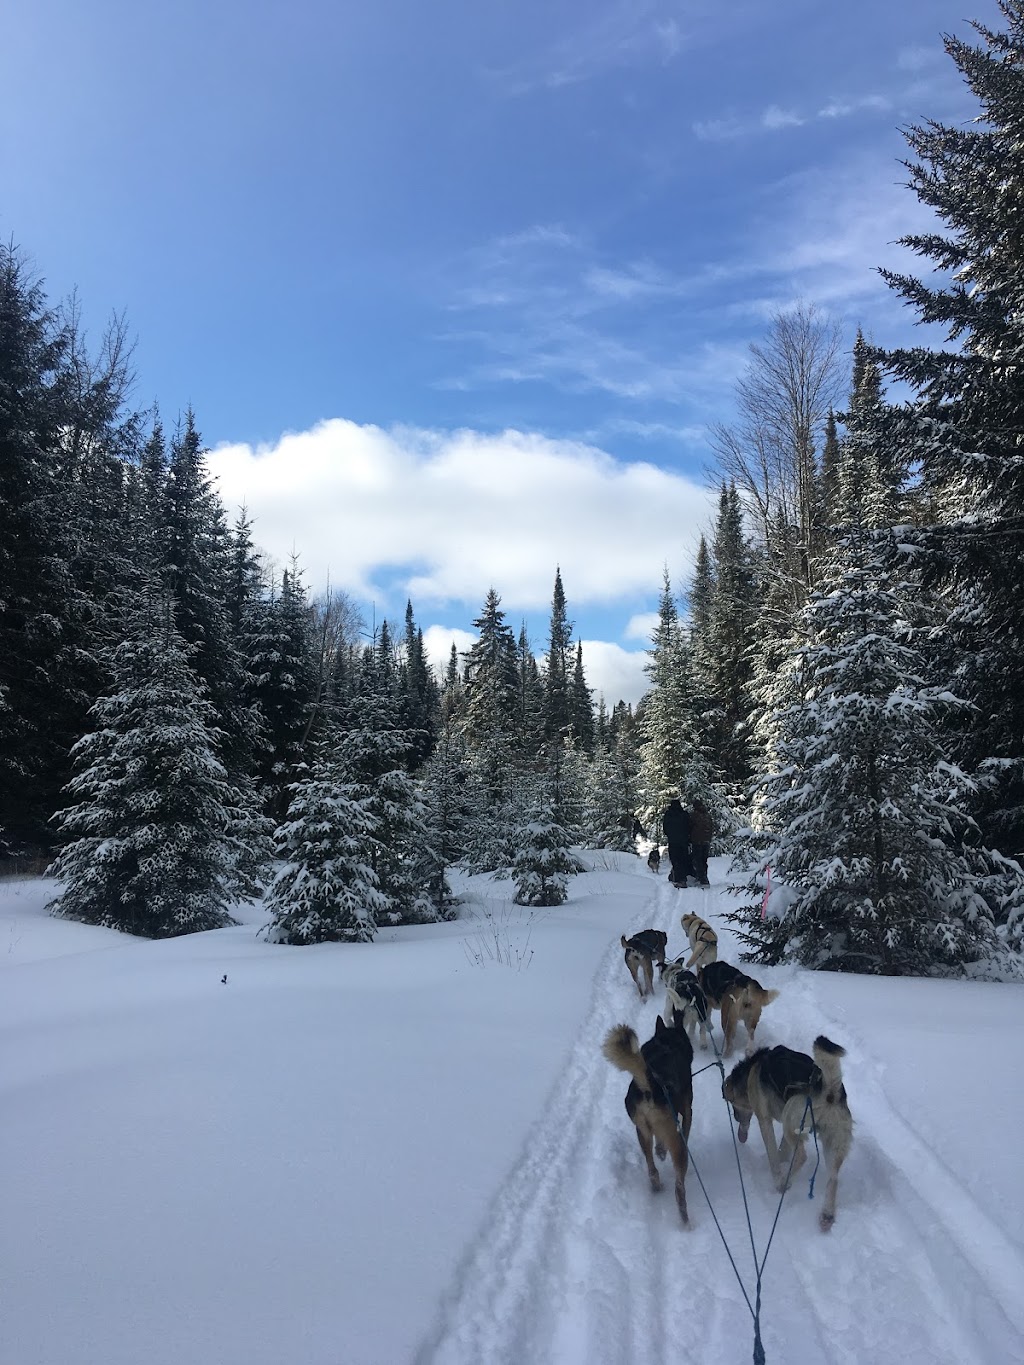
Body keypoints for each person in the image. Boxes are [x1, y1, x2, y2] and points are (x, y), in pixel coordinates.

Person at [662, 796, 693, 887]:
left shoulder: (668, 814)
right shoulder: (684, 814)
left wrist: (670, 835)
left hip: (673, 841)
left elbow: (665, 828)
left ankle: (679, 879)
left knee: (675, 860)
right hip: (683, 841)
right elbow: (689, 827)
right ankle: (682, 877)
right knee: (683, 859)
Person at [689, 799, 713, 887]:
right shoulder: (707, 815)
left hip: (697, 841)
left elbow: (690, 826)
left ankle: (702, 879)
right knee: (704, 860)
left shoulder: (694, 815)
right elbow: (711, 827)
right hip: (706, 841)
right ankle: (704, 877)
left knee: (697, 860)